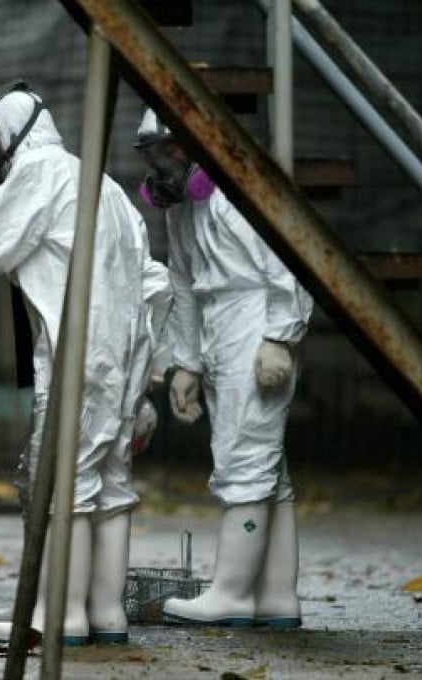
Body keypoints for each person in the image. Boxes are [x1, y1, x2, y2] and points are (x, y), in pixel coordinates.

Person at [0, 82, 171, 645]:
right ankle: (104, 615)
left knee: (60, 484)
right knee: (110, 486)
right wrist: (153, 372)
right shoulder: (102, 185)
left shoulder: (40, 172)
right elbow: (155, 282)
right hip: (120, 358)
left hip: (79, 359)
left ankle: (56, 617)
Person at [134, 108, 313, 629]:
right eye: (153, 156)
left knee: (245, 459)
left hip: (255, 319)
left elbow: (289, 262)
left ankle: (231, 594)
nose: (161, 166)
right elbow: (184, 284)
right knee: (268, 472)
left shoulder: (246, 193)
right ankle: (277, 598)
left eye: (168, 151)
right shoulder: (183, 209)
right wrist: (184, 363)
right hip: (219, 325)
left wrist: (280, 336)